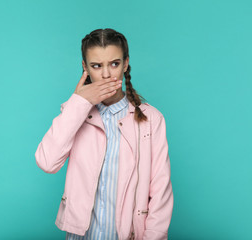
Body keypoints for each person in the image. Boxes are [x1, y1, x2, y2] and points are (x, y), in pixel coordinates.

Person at [35, 28, 173, 240]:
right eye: (97, 66)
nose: (107, 74)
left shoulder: (151, 119)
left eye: (114, 64)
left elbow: (161, 191)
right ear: (85, 68)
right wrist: (79, 102)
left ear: (126, 63)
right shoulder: (75, 114)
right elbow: (47, 162)